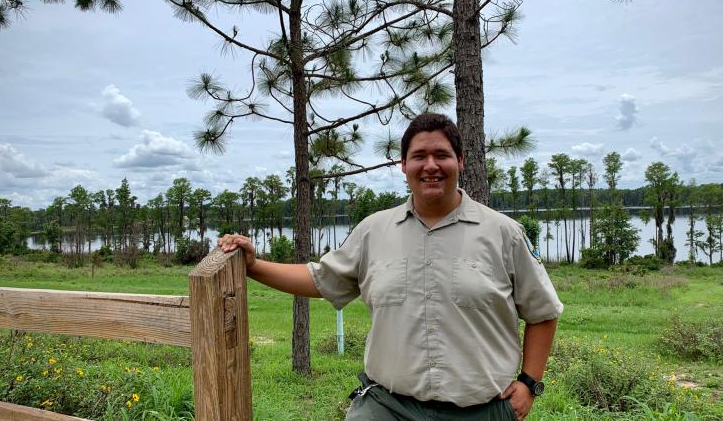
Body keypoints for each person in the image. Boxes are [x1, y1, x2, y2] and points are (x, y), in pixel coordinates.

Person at [219, 113, 562, 420]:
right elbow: (320, 279)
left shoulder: (504, 234)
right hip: (388, 407)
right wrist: (253, 265)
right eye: (419, 156)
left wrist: (530, 383)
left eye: (441, 155)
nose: (430, 165)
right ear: (403, 165)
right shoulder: (374, 231)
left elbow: (542, 311)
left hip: (482, 410)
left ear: (460, 160)